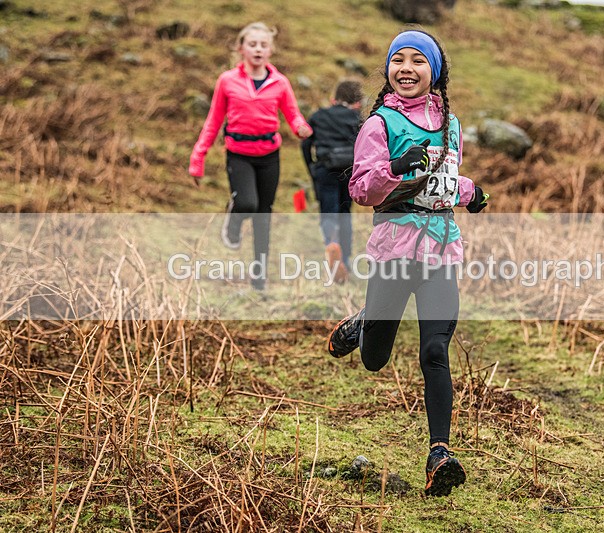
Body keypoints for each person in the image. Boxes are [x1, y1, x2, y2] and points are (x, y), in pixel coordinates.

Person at [326, 30, 489, 497]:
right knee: (375, 360)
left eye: (419, 60)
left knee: (435, 350)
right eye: (399, 60)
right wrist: (395, 166)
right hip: (394, 251)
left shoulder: (450, 123)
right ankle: (365, 322)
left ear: (434, 71)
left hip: (441, 249)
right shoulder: (378, 125)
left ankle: (440, 454)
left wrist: (470, 191)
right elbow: (360, 190)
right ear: (388, 70)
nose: (407, 68)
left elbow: (445, 177)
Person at [189, 22, 312, 291]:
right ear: (241, 48)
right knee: (247, 203)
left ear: (271, 50)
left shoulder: (280, 83)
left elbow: (292, 114)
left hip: (270, 155)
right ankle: (233, 224)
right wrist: (198, 158)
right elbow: (213, 121)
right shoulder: (227, 81)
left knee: (263, 214)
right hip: (238, 155)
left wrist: (301, 128)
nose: (258, 49)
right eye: (252, 44)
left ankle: (259, 276)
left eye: (263, 45)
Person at [301, 80, 363, 284]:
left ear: (333, 99)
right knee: (345, 213)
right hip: (350, 170)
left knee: (329, 211)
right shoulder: (358, 118)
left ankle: (331, 243)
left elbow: (306, 142)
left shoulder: (319, 116)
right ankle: (345, 259)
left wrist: (312, 167)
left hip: (325, 168)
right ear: (358, 103)